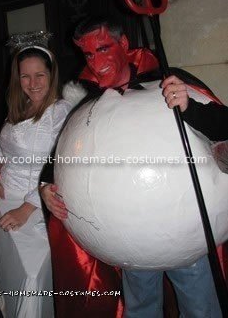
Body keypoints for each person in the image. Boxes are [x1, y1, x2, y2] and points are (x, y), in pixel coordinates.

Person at [40, 17, 227, 318]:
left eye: (103, 49)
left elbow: (223, 125)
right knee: (140, 309)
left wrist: (189, 107)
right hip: (127, 240)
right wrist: (45, 187)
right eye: (88, 54)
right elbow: (58, 158)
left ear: (124, 44)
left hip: (184, 234)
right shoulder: (88, 103)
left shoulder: (169, 80)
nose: (96, 62)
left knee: (200, 307)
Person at [0, 31, 72, 318]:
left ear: (52, 74)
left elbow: (60, 168)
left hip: (37, 203)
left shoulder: (63, 112)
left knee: (31, 272)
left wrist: (27, 209)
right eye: (25, 77)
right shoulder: (19, 107)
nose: (32, 84)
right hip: (2, 194)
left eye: (39, 75)